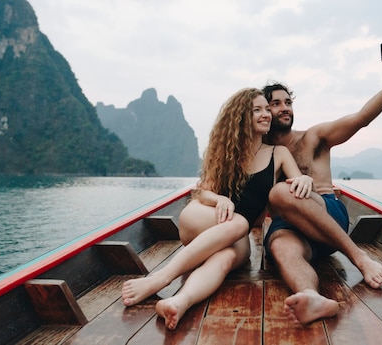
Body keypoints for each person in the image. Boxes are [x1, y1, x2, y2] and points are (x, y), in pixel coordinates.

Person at [121, 87, 313, 330]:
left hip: (235, 235)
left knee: (226, 257)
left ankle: (180, 301)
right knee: (240, 223)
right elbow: (202, 192)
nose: (266, 114)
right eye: (257, 110)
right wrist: (220, 200)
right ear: (242, 116)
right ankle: (160, 278)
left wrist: (306, 179)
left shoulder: (279, 153)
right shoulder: (226, 151)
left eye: (267, 109)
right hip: (203, 219)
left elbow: (296, 184)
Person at [263, 46, 382, 325]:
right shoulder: (260, 154)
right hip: (291, 230)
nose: (284, 108)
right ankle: (311, 297)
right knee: (280, 247)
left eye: (287, 102)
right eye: (275, 103)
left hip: (328, 215)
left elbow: (361, 118)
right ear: (263, 112)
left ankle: (359, 257)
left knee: (280, 191)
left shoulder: (314, 138)